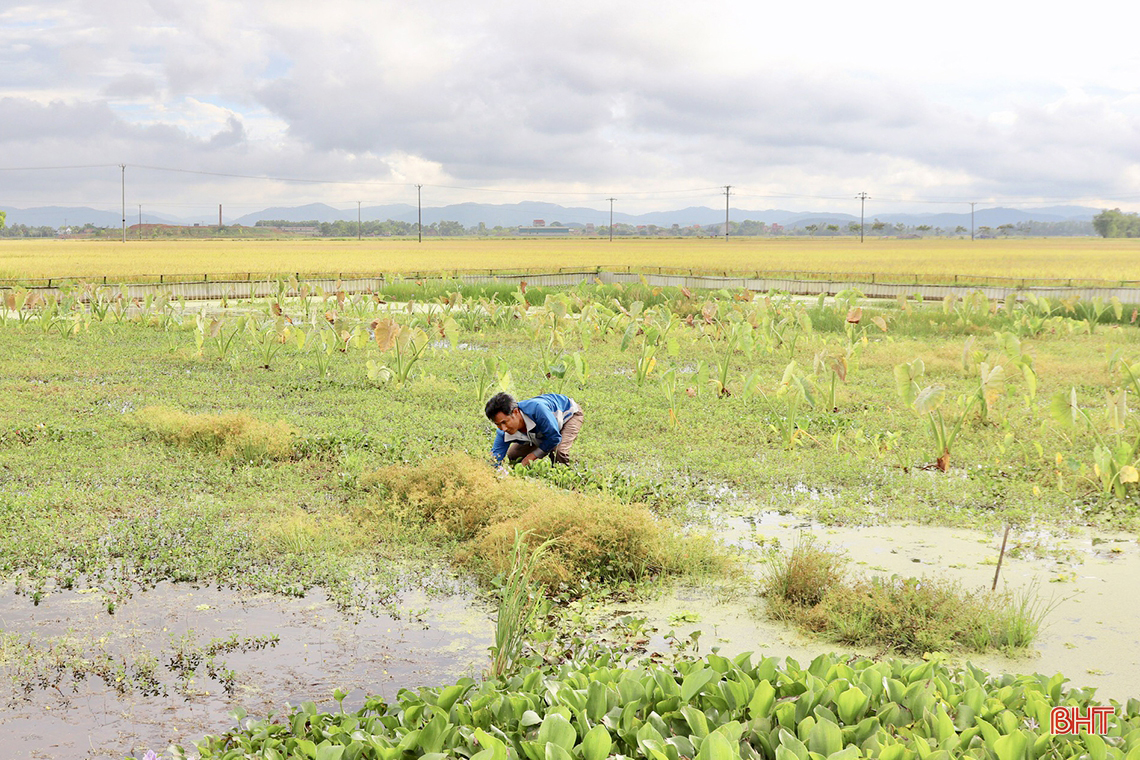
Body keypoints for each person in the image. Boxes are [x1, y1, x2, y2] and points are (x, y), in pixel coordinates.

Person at [485, 391, 584, 467]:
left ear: (515, 412)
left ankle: (563, 481)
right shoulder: (503, 432)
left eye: (504, 422)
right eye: (498, 424)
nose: (503, 428)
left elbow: (554, 438)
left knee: (558, 451)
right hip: (540, 430)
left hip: (570, 415)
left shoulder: (538, 410)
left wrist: (533, 456)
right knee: (514, 454)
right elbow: (495, 458)